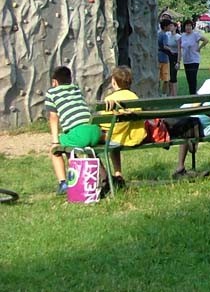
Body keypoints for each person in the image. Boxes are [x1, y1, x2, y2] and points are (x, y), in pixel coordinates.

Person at [46, 66, 102, 195]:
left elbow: (53, 117)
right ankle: (103, 178)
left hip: (79, 134)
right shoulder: (76, 89)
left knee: (56, 150)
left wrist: (55, 141)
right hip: (95, 131)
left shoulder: (52, 93)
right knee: (83, 147)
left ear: (54, 82)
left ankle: (63, 183)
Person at [99, 65, 147, 189]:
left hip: (117, 138)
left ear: (113, 82)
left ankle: (106, 178)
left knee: (92, 141)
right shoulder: (135, 98)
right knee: (115, 134)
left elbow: (105, 124)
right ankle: (118, 174)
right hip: (136, 136)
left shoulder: (110, 99)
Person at [179, 19, 208, 95]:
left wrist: (199, 48)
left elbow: (206, 40)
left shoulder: (195, 35)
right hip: (186, 60)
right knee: (188, 78)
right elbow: (180, 46)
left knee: (193, 77)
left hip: (194, 59)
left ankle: (193, 95)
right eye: (187, 25)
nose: (188, 27)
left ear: (192, 26)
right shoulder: (182, 36)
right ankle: (191, 94)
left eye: (190, 26)